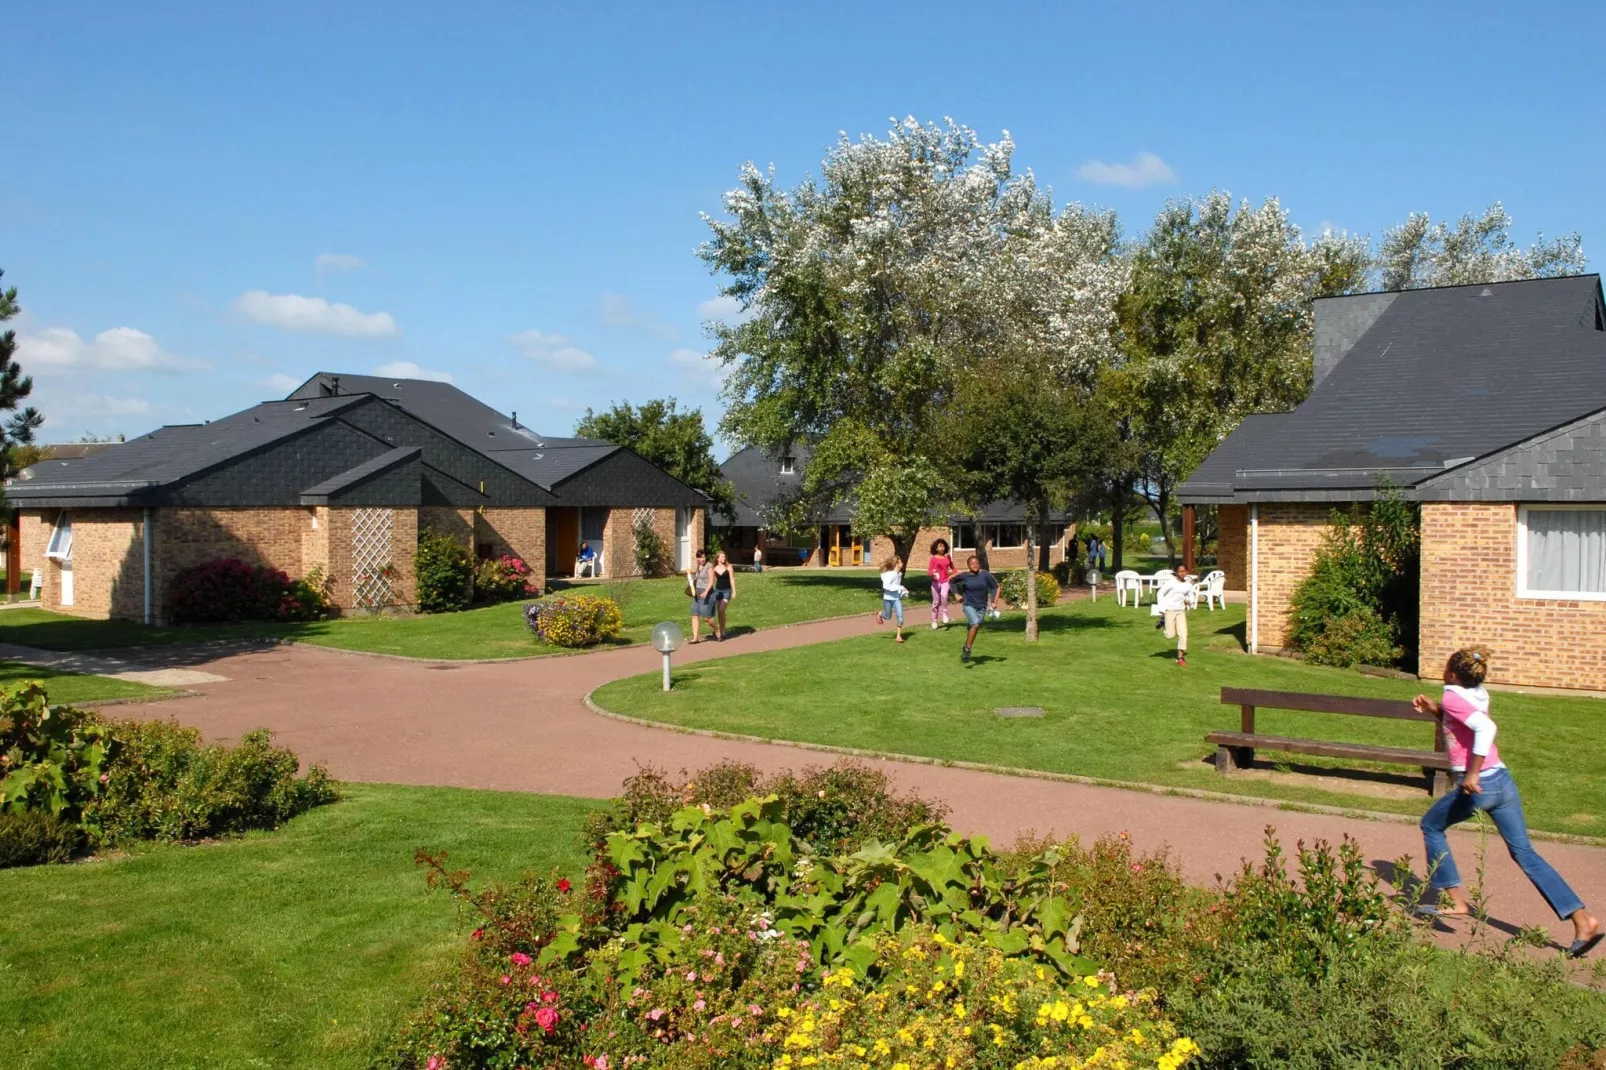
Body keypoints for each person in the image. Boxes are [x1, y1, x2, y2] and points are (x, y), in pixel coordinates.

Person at [1414, 647, 1601, 957]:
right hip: (1503, 782)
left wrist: (1472, 774)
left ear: (1450, 675)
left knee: (1431, 825)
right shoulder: (1477, 694)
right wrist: (1436, 711)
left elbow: (1486, 728)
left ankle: (1457, 901)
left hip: (1480, 786)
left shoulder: (1452, 695)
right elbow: (1464, 722)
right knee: (1525, 853)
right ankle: (1583, 920)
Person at [951, 555, 1000, 664]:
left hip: (982, 606)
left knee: (974, 628)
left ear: (979, 564)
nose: (975, 565)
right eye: (972, 564)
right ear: (968, 565)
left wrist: (994, 601)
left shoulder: (985, 575)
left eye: (977, 563)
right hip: (968, 604)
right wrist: (956, 594)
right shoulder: (964, 576)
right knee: (975, 624)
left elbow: (995, 587)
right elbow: (951, 581)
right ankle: (968, 649)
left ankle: (965, 647)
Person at [1154, 566, 1194, 666]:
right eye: (1180, 571)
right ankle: (1163, 622)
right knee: (1169, 635)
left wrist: (1189, 601)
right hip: (1169, 610)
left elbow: (1190, 595)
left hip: (1180, 611)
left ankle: (1180, 658)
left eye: (1184, 571)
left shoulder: (1188, 585)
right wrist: (1162, 609)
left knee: (1183, 634)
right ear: (1176, 572)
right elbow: (1160, 593)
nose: (1182, 573)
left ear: (1187, 572)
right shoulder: (1171, 583)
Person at [875, 555, 908, 643]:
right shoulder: (891, 575)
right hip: (888, 599)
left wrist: (903, 591)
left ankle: (898, 636)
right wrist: (899, 587)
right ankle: (880, 613)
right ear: (897, 564)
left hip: (896, 599)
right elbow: (886, 586)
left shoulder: (899, 575)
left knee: (900, 617)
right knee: (888, 616)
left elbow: (897, 587)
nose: (902, 563)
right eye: (901, 562)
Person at [687, 549, 716, 644]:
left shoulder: (709, 566)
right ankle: (695, 638)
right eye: (700, 557)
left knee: (707, 618)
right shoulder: (698, 566)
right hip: (697, 595)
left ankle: (716, 629)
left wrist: (706, 592)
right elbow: (697, 579)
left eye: (704, 557)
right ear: (697, 558)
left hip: (706, 594)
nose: (702, 559)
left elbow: (711, 581)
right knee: (694, 615)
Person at [927, 537, 956, 630]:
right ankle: (934, 620)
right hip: (935, 582)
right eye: (940, 546)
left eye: (943, 546)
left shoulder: (948, 557)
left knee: (944, 595)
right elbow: (929, 571)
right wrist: (933, 574)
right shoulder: (933, 559)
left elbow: (952, 567)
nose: (942, 548)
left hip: (945, 581)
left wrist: (955, 573)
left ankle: (944, 614)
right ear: (936, 548)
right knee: (935, 602)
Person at [711, 550, 737, 641]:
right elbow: (712, 581)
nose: (724, 558)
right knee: (719, 612)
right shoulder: (714, 568)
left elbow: (732, 580)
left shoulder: (729, 567)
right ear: (717, 558)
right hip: (718, 591)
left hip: (727, 591)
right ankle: (719, 631)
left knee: (722, 610)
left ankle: (723, 630)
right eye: (722, 557)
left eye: (724, 556)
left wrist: (734, 592)